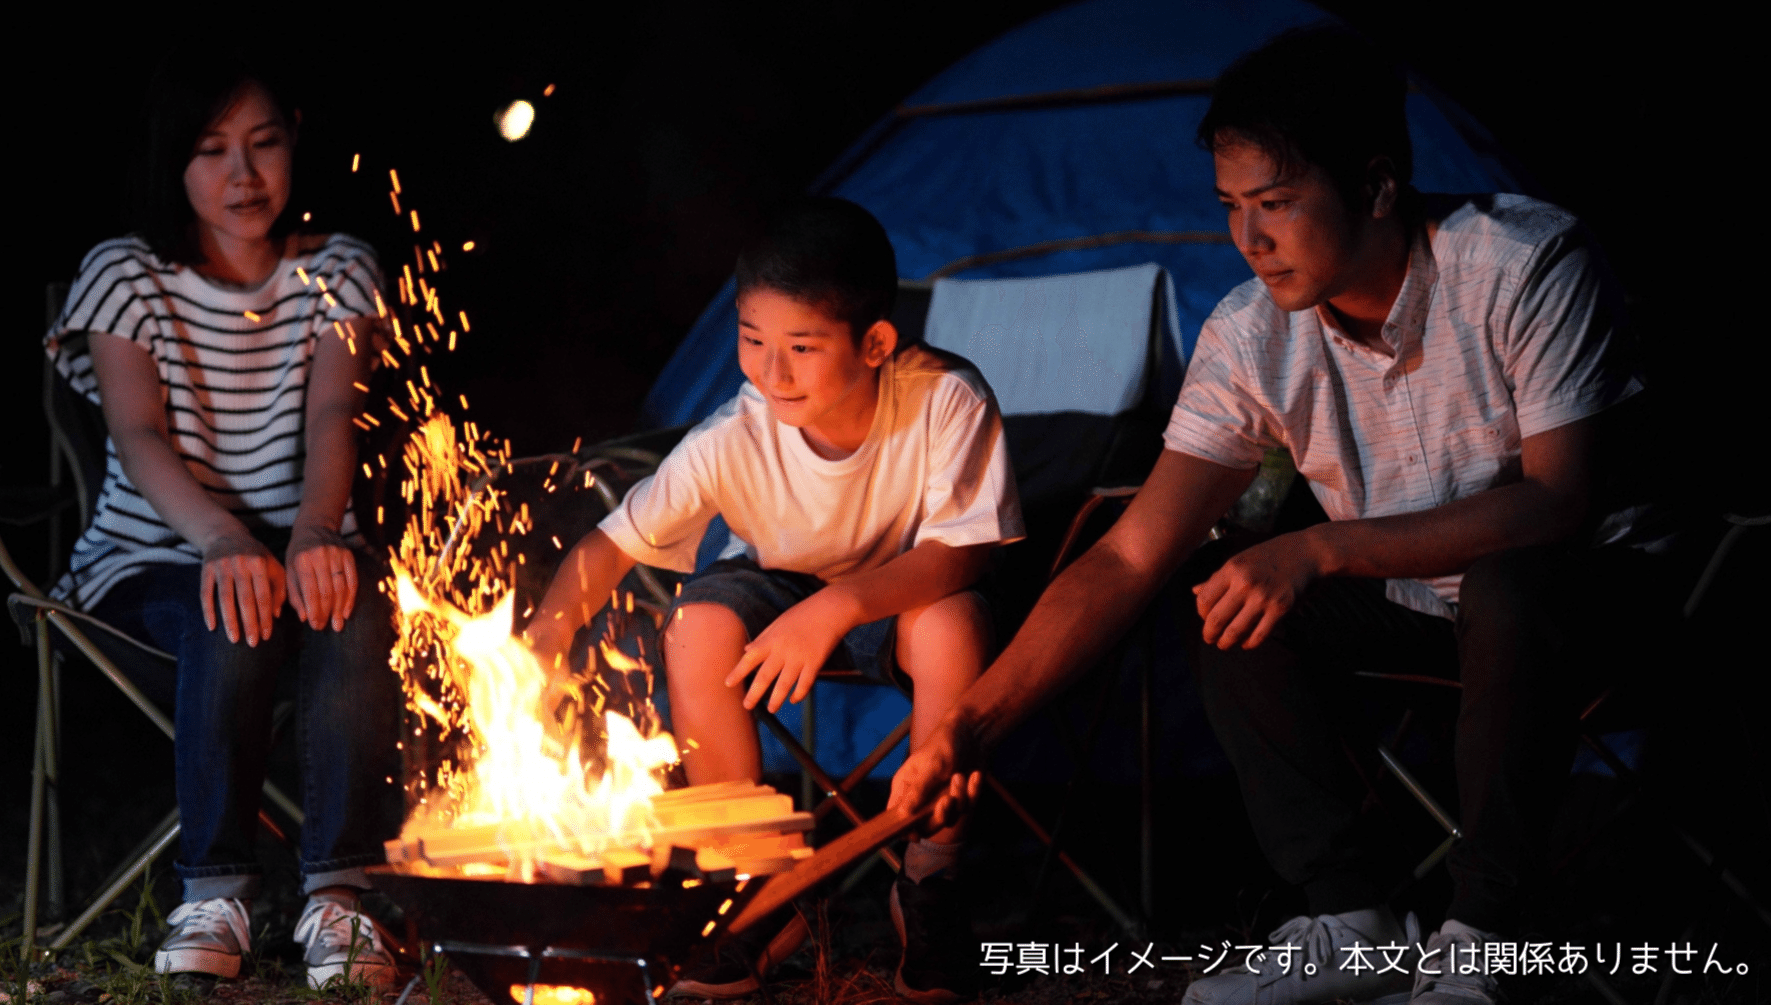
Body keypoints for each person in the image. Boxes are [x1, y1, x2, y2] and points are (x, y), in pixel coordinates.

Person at [890, 27, 1673, 1005]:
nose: (1248, 241)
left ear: (1379, 186)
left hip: (1594, 606)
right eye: (1230, 209)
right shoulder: (1252, 334)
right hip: (1420, 613)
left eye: (1277, 205)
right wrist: (966, 726)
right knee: (1229, 598)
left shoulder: (1524, 263)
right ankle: (1352, 917)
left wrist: (1322, 547)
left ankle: (1485, 942)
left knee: (1503, 584)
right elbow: (1131, 555)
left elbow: (1561, 502)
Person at [525, 198, 1021, 1002]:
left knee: (954, 624)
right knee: (695, 626)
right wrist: (540, 646)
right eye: (752, 340)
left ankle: (928, 880)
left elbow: (961, 552)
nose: (770, 371)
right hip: (775, 578)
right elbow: (610, 544)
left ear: (875, 344)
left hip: (905, 585)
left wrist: (836, 608)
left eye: (800, 347)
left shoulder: (945, 400)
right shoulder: (736, 435)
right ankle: (758, 884)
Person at [46, 49, 399, 990]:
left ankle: (339, 898)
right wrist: (224, 538)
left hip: (302, 551)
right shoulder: (127, 273)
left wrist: (319, 529)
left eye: (263, 144)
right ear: (174, 161)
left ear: (295, 146)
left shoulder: (340, 270)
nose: (242, 176)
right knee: (226, 605)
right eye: (211, 150)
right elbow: (137, 431)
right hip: (148, 561)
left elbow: (333, 413)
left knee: (358, 606)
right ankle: (215, 888)